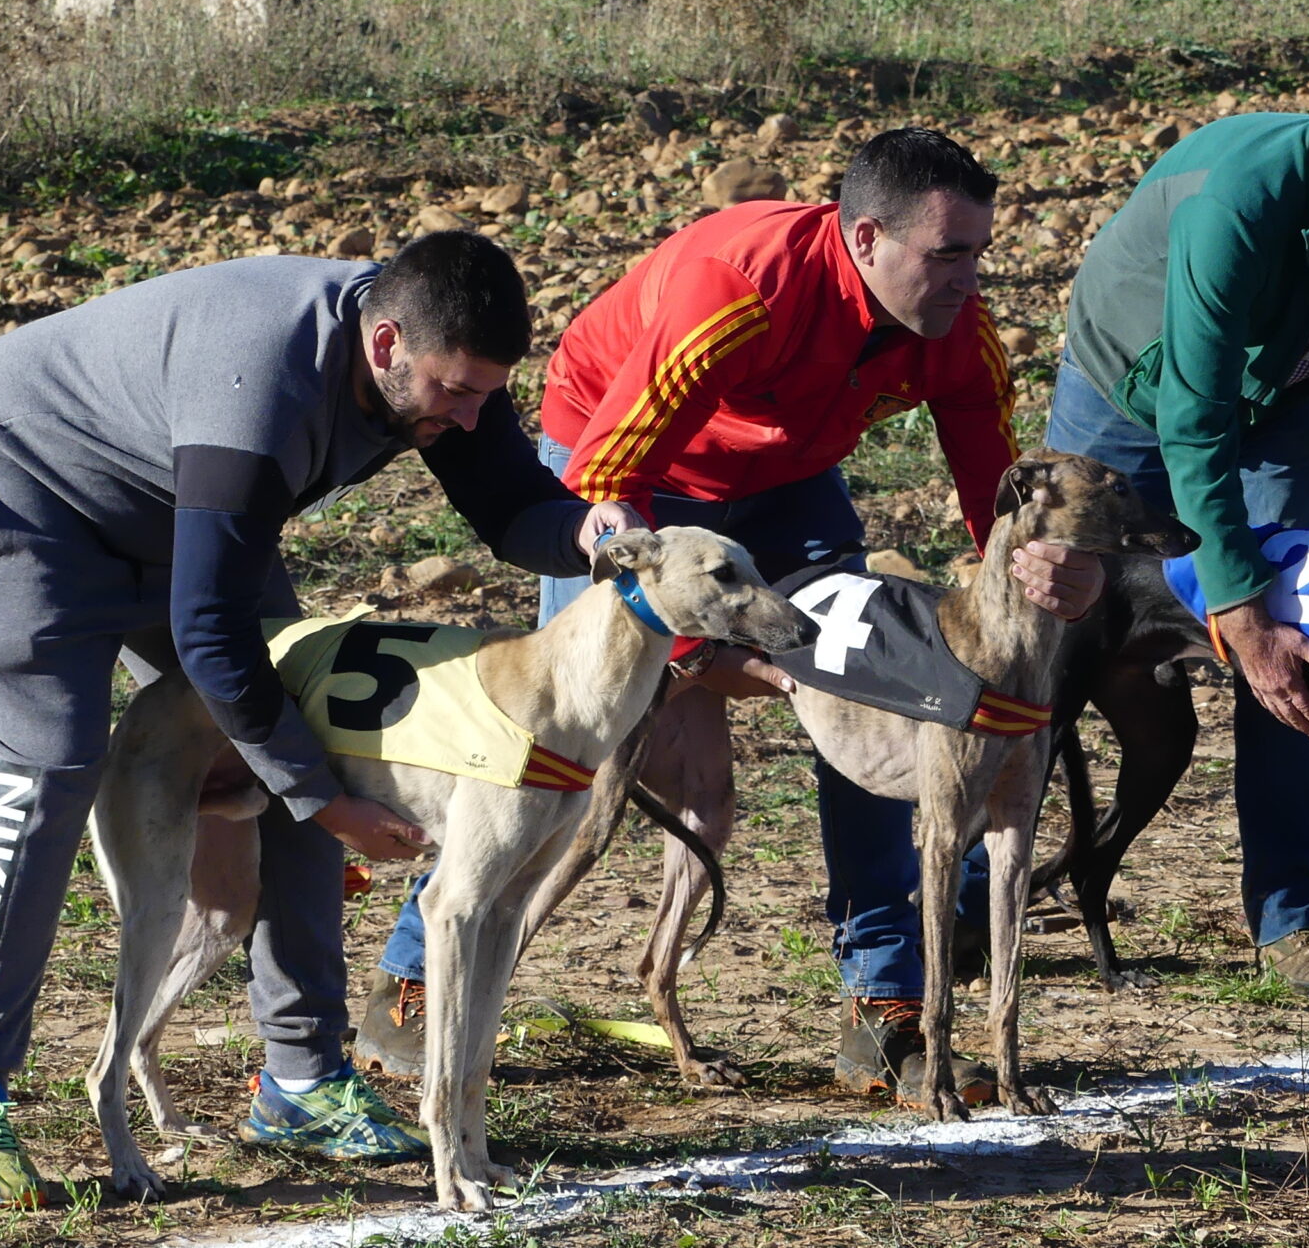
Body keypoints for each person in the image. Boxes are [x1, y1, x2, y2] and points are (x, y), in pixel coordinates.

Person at [355, 128, 1100, 1105]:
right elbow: (610, 474)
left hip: (786, 481)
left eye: (979, 252)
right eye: (948, 253)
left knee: (896, 674)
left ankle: (885, 1002)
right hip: (634, 464)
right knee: (565, 733)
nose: (971, 278)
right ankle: (414, 977)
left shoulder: (958, 325)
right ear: (867, 238)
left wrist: (1041, 568)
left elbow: (998, 507)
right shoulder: (740, 291)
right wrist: (677, 634)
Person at [0, 231, 623, 1205]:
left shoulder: (442, 362)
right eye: (455, 392)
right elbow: (210, 633)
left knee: (311, 717)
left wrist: (584, 527)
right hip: (23, 491)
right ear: (385, 344)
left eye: (486, 397)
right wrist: (326, 804)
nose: (468, 417)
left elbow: (507, 505)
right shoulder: (262, 386)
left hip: (179, 504)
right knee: (51, 762)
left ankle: (301, 1077)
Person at [1044, 68, 1309, 1000]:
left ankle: (1290, 912)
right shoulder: (1238, 204)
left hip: (1281, 394)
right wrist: (1234, 605)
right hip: (1133, 386)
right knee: (1049, 631)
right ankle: (967, 898)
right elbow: (1194, 420)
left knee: (1298, 634)